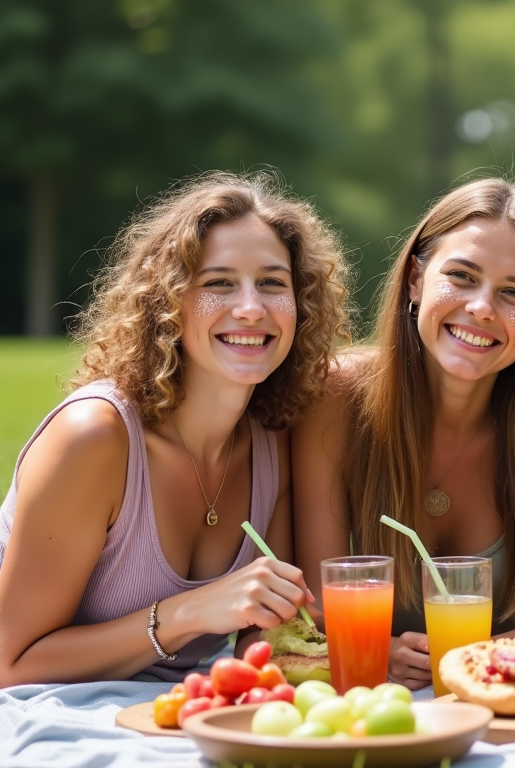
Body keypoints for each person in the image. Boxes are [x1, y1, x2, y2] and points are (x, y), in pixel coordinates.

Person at [0, 171, 350, 685]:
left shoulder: (273, 441)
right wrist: (189, 612)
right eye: (218, 283)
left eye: (273, 283)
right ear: (168, 303)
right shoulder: (95, 438)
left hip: (161, 717)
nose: (251, 308)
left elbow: (265, 639)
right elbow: (10, 663)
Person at [292, 178, 515, 689]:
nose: (483, 308)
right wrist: (380, 651)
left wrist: (478, 662)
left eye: (514, 293)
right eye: (461, 276)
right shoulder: (335, 399)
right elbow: (317, 609)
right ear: (415, 279)